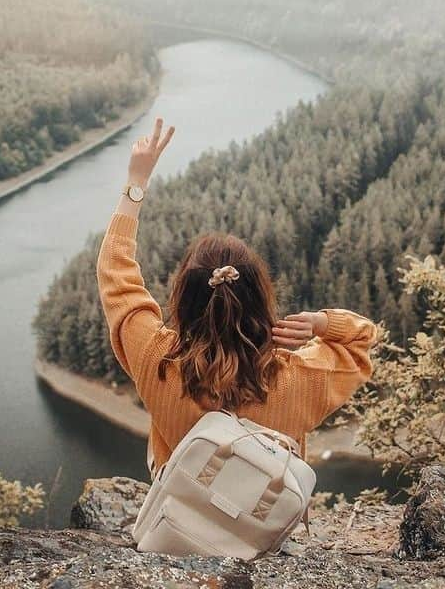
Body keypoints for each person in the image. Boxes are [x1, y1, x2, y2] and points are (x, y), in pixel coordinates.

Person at [97, 117, 378, 477]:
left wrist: (137, 182)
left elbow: (114, 270)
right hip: (260, 532)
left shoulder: (157, 360)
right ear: (261, 300)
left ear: (183, 298)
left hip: (176, 524)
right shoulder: (298, 379)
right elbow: (362, 340)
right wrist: (321, 324)